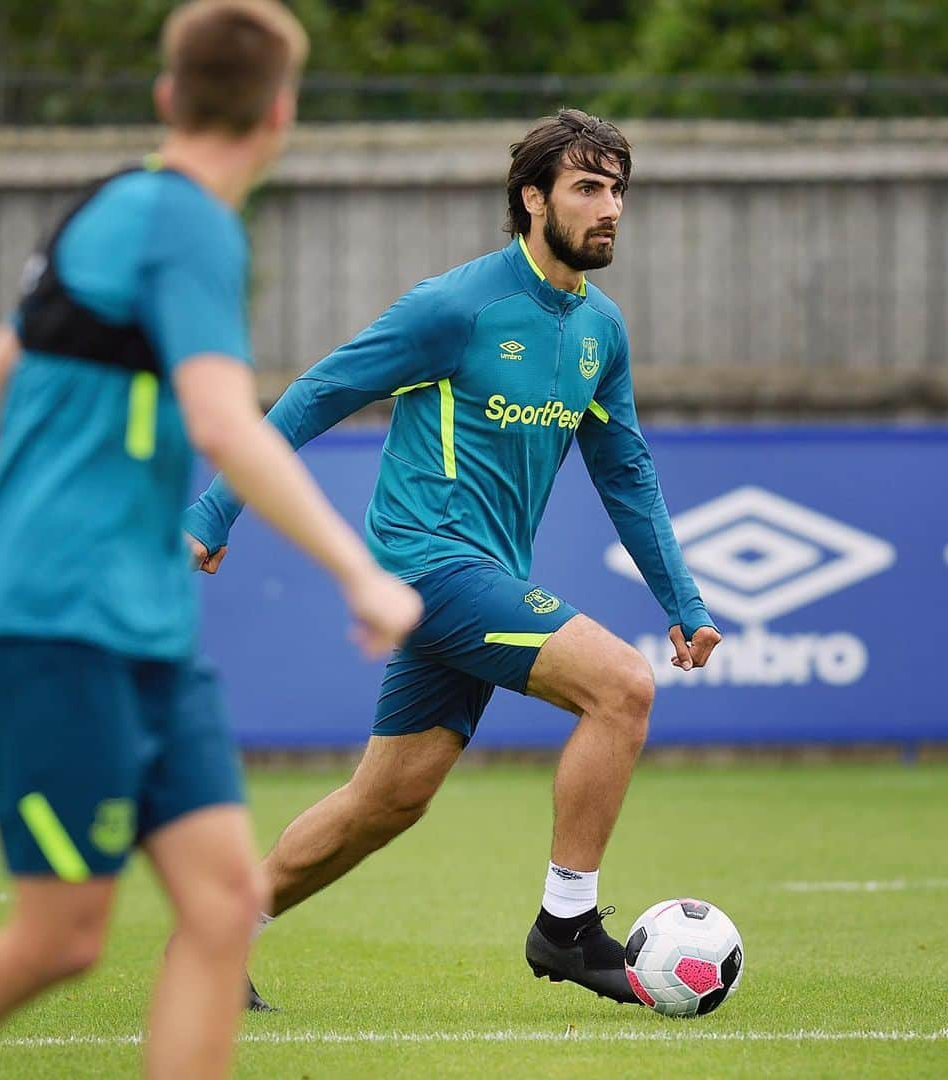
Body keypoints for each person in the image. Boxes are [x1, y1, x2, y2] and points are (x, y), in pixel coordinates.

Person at [0, 2, 420, 1076]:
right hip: (69, 628)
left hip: (138, 627)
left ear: (166, 96)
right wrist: (359, 574)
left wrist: (2, 544)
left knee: (226, 899)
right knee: (59, 937)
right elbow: (222, 422)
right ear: (282, 113)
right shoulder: (191, 222)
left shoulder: (109, 204)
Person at [184, 107, 721, 1009]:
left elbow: (626, 473)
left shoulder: (602, 332)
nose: (611, 207)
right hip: (423, 564)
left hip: (485, 577)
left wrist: (685, 600)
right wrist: (214, 509)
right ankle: (567, 926)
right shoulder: (454, 306)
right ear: (531, 198)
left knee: (387, 802)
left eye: (619, 188)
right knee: (622, 688)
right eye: (588, 187)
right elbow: (319, 392)